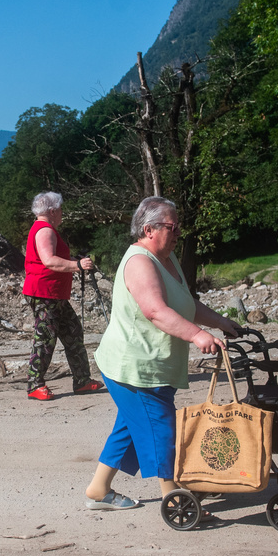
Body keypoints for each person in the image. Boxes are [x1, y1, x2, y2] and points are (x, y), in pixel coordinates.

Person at [84, 196, 242, 510]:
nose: (178, 232)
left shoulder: (167, 260)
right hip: (135, 368)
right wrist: (198, 335)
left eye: (178, 226)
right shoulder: (140, 262)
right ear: (149, 229)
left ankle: (99, 489)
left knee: (130, 426)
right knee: (162, 429)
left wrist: (222, 322)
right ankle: (175, 497)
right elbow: (156, 311)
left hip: (154, 365)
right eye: (172, 226)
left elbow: (188, 304)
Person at [22, 191, 105, 401]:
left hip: (52, 293)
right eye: (60, 210)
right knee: (45, 337)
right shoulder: (45, 230)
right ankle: (35, 384)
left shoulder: (43, 229)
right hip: (44, 292)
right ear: (52, 210)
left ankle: (82, 380)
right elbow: (49, 261)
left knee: (73, 331)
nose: (62, 214)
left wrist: (73, 261)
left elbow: (54, 258)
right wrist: (77, 265)